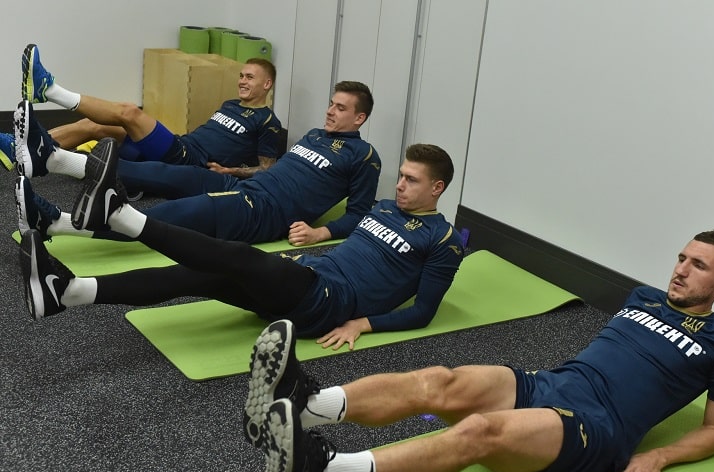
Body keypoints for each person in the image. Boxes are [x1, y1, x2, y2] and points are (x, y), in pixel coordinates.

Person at [242, 230, 714, 472]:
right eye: (681, 258)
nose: (680, 270)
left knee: (480, 431)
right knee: (439, 381)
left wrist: (658, 457)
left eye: (697, 266)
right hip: (551, 384)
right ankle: (301, 407)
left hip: (595, 428)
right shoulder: (643, 296)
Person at [19, 139, 463, 350]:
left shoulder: (442, 240)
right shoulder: (384, 207)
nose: (399, 185)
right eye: (400, 176)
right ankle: (68, 293)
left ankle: (122, 216)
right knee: (194, 276)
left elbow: (423, 311)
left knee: (236, 255)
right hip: (306, 279)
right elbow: (356, 251)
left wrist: (361, 324)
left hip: (328, 302)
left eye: (411, 180)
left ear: (437, 188)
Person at [14, 77, 380, 246]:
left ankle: (55, 224)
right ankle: (54, 159)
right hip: (242, 184)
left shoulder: (364, 157)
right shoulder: (316, 135)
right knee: (160, 173)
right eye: (331, 104)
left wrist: (319, 233)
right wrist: (234, 171)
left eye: (340, 108)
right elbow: (281, 170)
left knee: (166, 216)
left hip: (262, 210)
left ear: (360, 118)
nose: (330, 111)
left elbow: (359, 213)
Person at [19, 43, 282, 176]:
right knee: (93, 125)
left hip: (189, 161)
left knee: (130, 112)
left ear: (267, 84)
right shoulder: (230, 105)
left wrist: (231, 171)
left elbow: (267, 169)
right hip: (181, 144)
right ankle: (23, 150)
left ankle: (50, 91)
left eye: (249, 78)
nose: (242, 81)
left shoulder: (268, 122)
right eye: (241, 76)